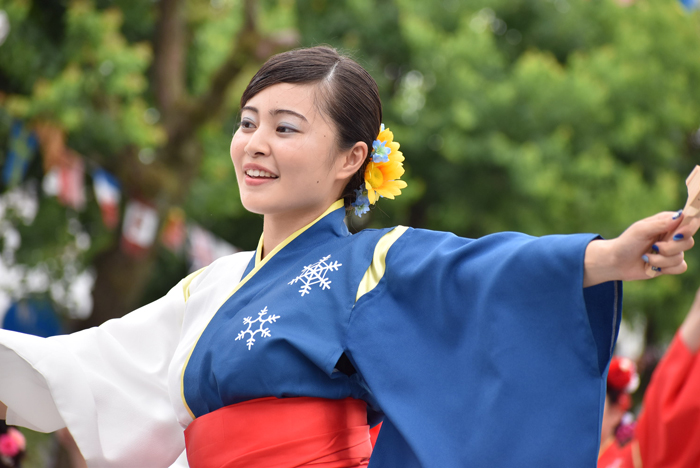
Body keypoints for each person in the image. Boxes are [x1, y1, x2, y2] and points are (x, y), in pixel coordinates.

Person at [0, 46, 698, 468]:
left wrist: (606, 257)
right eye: (247, 125)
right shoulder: (211, 285)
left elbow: (483, 273)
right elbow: (95, 361)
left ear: (351, 158)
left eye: (285, 127)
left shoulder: (376, 260)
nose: (254, 145)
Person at [598, 285, 700, 468]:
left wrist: (695, 319)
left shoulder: (634, 457)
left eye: (596, 401)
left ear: (616, 412)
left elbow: (665, 415)